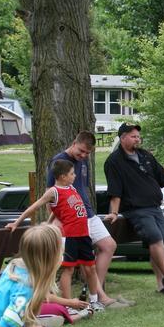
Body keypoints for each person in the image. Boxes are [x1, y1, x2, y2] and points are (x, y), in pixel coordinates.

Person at [8, 159, 112, 312]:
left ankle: (94, 300)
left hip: (84, 234)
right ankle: (68, 304)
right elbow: (34, 207)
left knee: (90, 269)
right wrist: (16, 222)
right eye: (71, 173)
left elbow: (59, 212)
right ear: (63, 176)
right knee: (68, 270)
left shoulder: (72, 188)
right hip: (70, 237)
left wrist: (50, 223)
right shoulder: (53, 191)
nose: (74, 176)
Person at [103, 123, 164, 295]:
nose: (138, 139)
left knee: (160, 246)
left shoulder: (145, 155)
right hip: (137, 210)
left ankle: (161, 285)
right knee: (155, 240)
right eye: (134, 136)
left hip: (155, 208)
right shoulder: (114, 161)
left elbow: (163, 176)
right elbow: (115, 190)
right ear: (123, 138)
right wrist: (113, 212)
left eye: (138, 137)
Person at [48, 131, 126, 307]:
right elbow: (50, 193)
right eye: (81, 151)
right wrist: (57, 219)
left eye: (87, 153)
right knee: (77, 262)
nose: (83, 156)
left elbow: (82, 188)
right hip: (70, 219)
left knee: (109, 245)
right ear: (74, 142)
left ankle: (95, 291)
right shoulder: (59, 162)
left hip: (87, 213)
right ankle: (99, 296)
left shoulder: (83, 163)